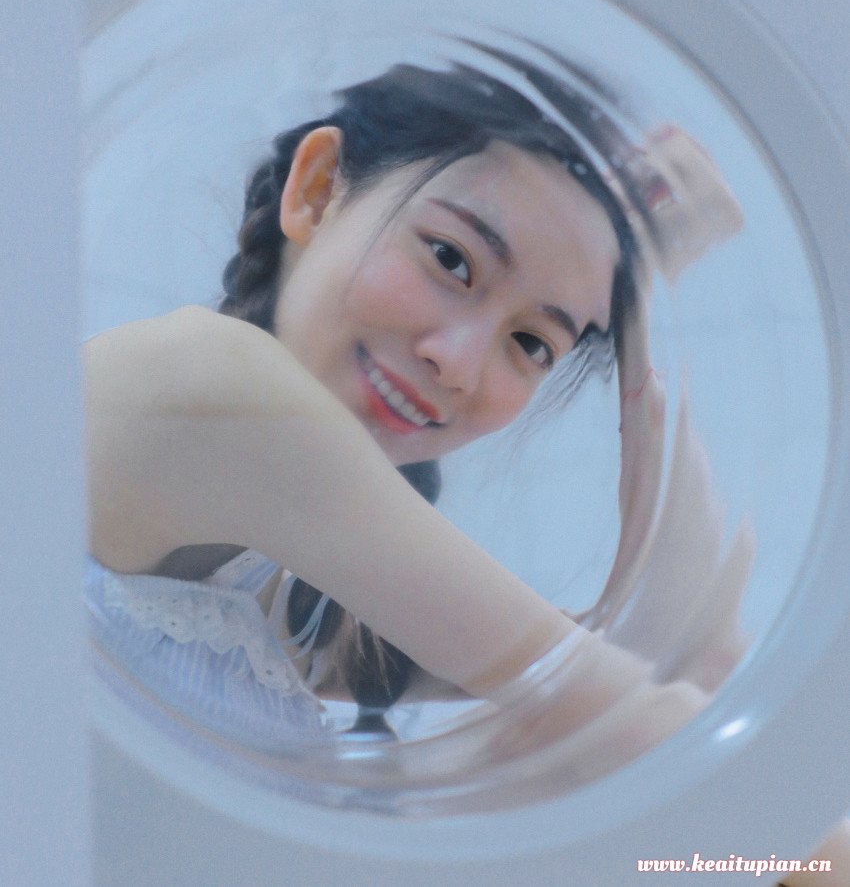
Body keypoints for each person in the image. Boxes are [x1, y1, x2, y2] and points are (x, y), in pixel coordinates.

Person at [84, 56, 743, 773]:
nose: (458, 364)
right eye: (450, 259)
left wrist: (643, 305)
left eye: (530, 342)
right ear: (317, 190)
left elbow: (667, 656)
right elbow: (642, 719)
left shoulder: (280, 589)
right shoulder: (211, 386)